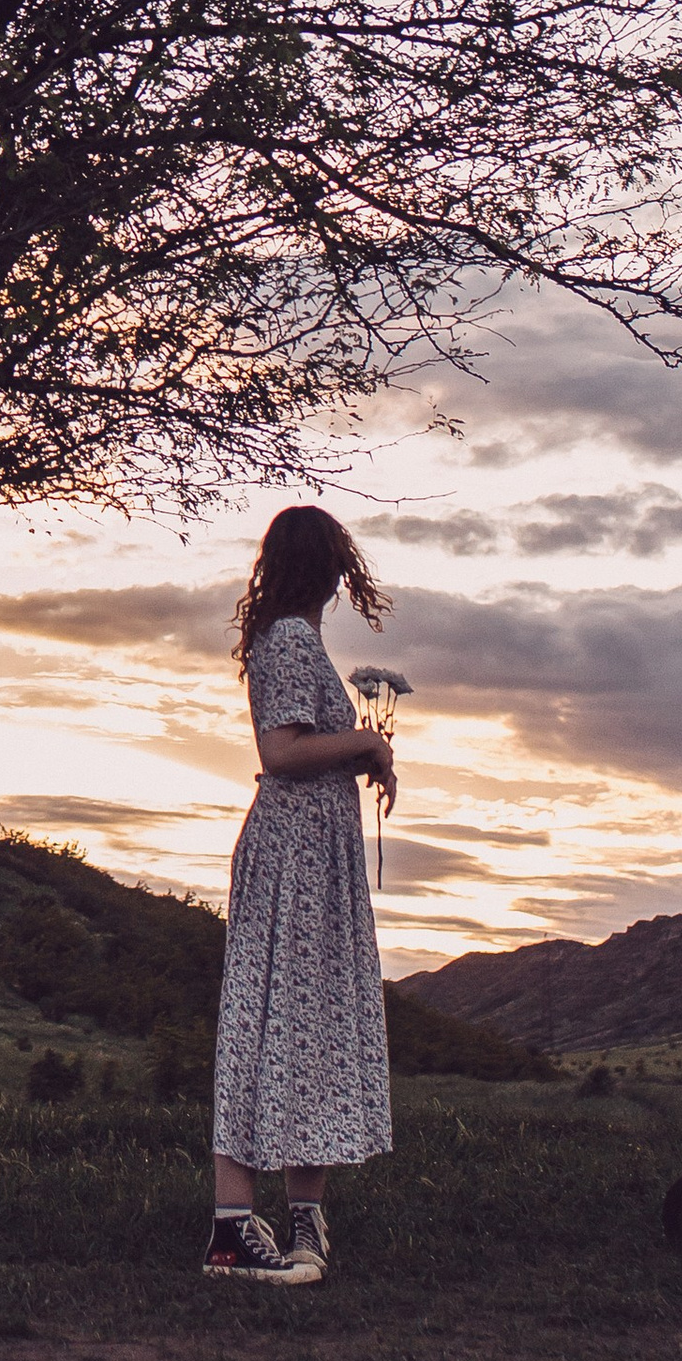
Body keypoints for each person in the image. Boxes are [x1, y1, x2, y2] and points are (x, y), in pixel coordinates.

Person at [204, 502, 397, 1284]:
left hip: (315, 858)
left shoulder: (297, 640)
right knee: (269, 1018)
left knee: (305, 1025)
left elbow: (309, 749)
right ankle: (232, 1227)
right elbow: (281, 751)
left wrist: (363, 756)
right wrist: (366, 740)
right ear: (325, 567)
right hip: (292, 856)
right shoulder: (287, 638)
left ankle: (303, 1222)